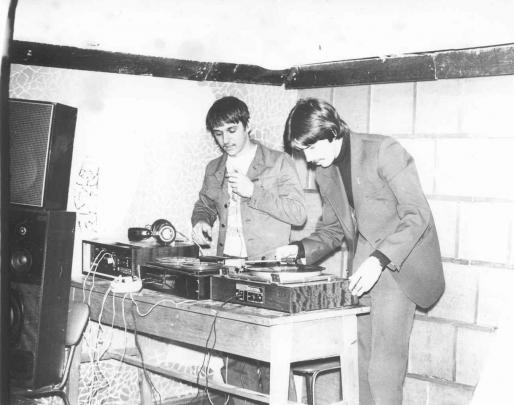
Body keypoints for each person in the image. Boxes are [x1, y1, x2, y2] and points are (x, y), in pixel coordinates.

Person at [276, 98, 445, 405]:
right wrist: (298, 248)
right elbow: (332, 229)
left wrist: (379, 260)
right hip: (362, 267)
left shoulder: (383, 151)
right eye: (303, 152)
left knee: (383, 368)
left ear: (331, 132)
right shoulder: (325, 172)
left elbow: (417, 214)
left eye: (311, 148)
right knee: (359, 362)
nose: (309, 159)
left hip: (397, 264)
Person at [191, 96, 306, 404]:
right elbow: (204, 204)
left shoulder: (278, 162)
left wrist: (253, 191)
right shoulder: (214, 168)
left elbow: (298, 213)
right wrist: (201, 221)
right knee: (234, 354)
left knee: (272, 358)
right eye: (218, 133)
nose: (225, 140)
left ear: (247, 126)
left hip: (269, 272)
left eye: (232, 130)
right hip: (229, 270)